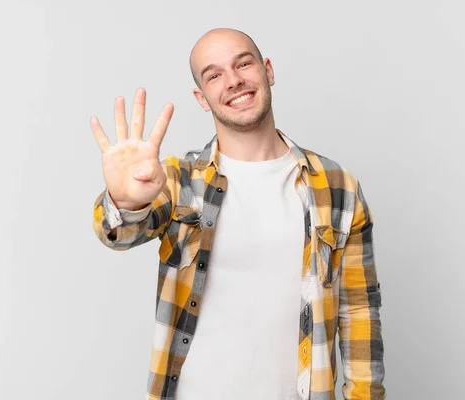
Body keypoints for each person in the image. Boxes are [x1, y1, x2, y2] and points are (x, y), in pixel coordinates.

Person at [91, 28, 385, 400]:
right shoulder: (178, 181)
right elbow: (117, 232)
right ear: (202, 97)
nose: (233, 81)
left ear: (268, 71)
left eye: (243, 63)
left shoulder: (338, 186)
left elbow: (359, 310)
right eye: (214, 75)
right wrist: (125, 201)